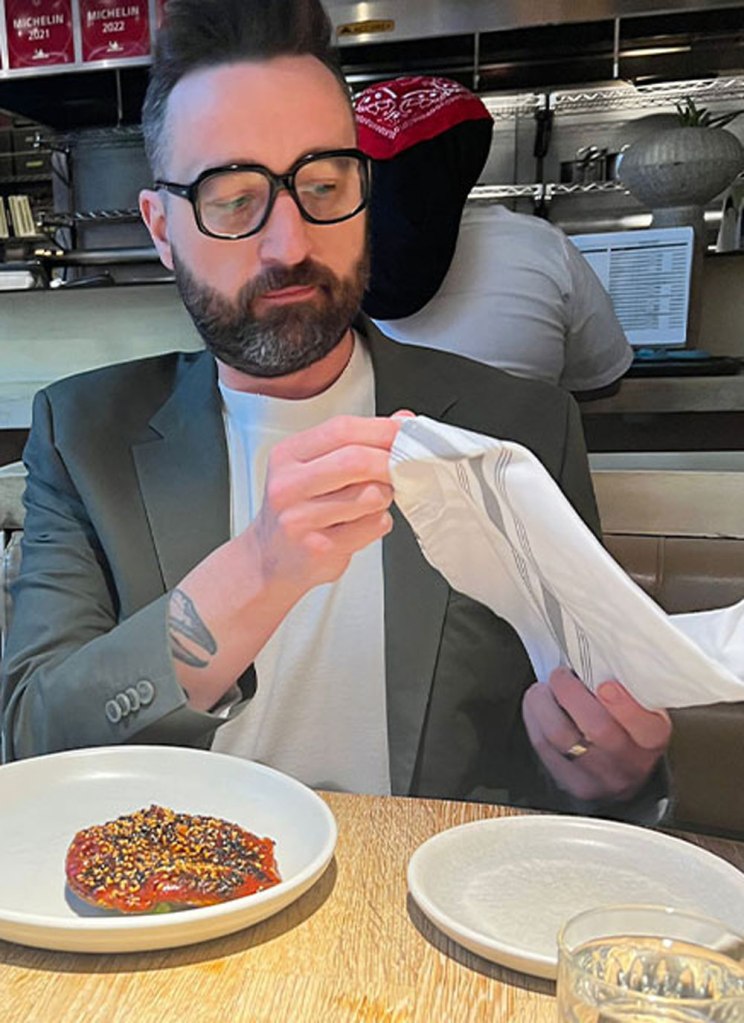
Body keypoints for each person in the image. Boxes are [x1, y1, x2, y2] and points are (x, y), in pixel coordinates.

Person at [0, 0, 670, 817]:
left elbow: (582, 758)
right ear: (162, 227)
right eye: (233, 198)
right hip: (165, 908)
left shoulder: (516, 428)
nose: (290, 244)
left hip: (418, 908)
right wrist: (256, 572)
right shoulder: (84, 433)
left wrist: (609, 773)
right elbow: (35, 741)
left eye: (323, 185)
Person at [355, 75, 634, 398]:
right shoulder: (543, 247)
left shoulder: (328, 259)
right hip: (524, 446)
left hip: (373, 449)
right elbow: (602, 381)